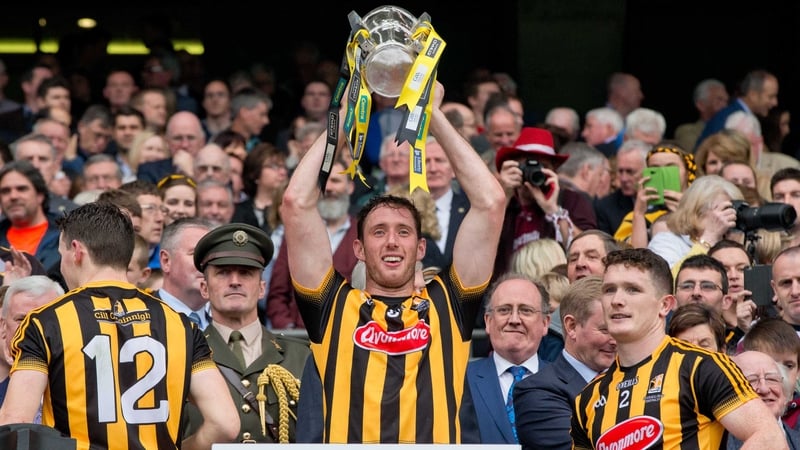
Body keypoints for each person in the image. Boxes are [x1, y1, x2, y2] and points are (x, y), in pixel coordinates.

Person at [280, 80, 506, 443]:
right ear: (358, 249)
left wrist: (432, 113)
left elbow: (491, 202)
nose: (391, 241)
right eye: (378, 231)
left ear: (419, 249)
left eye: (403, 232)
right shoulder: (332, 307)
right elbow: (295, 202)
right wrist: (346, 115)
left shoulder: (448, 304)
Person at [0, 201, 239, 449]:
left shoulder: (45, 321)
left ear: (76, 250)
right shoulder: (180, 324)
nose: (61, 265)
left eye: (61, 256)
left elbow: (16, 422)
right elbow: (225, 424)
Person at [570, 248, 786, 449]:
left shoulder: (701, 367)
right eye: (609, 290)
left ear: (665, 305)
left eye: (633, 290)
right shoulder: (588, 398)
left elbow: (770, 438)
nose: (617, 300)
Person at [183, 222, 310, 443]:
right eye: (223, 273)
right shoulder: (183, 354)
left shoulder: (302, 356)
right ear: (204, 288)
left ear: (262, 288)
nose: (234, 282)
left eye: (245, 273)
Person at [514, 275, 616, 450]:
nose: (615, 340)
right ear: (571, 327)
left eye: (619, 328)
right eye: (605, 329)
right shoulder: (537, 391)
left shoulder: (635, 379)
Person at [494, 127, 597, 276]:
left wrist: (553, 209)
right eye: (527, 165)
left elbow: (589, 250)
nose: (534, 172)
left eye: (543, 167)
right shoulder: (504, 204)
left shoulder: (571, 200)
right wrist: (502, 195)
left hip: (555, 289)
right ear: (513, 166)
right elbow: (477, 247)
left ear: (554, 170)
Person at [466, 273, 551, 444]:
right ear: (488, 322)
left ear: (545, 323)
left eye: (525, 310)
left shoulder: (569, 385)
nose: (514, 320)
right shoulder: (458, 381)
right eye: (504, 310)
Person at [727, 351, 800, 449]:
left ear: (785, 394)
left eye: (772, 379)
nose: (764, 389)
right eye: (751, 380)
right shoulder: (713, 443)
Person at [696, 69, 779, 149]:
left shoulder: (731, 113)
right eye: (771, 96)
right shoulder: (736, 118)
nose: (775, 102)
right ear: (753, 95)